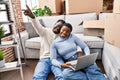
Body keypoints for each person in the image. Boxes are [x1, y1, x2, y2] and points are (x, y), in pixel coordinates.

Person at [24, 5, 82, 80]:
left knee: (62, 76)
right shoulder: (44, 31)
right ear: (54, 24)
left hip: (57, 59)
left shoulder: (63, 36)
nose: (57, 28)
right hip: (44, 59)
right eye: (56, 25)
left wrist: (79, 51)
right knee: (38, 76)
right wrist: (31, 16)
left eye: (60, 28)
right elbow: (37, 25)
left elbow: (76, 43)